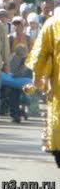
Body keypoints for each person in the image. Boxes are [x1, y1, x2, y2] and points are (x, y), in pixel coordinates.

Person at [26, 15, 60, 167]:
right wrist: (37, 75)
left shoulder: (53, 22)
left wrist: (37, 75)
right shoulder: (53, 23)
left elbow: (41, 53)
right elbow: (41, 53)